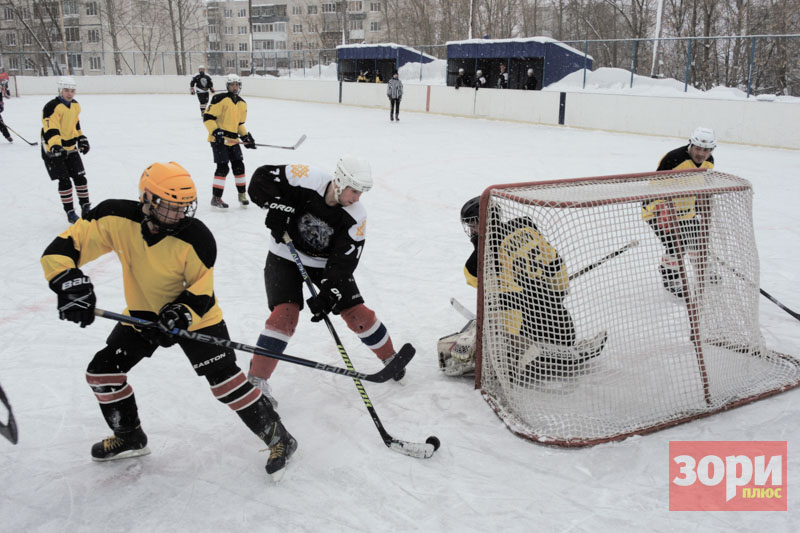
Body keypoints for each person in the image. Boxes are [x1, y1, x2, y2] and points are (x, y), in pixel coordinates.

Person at [40, 162, 297, 480]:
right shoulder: (113, 217)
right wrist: (68, 282)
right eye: (169, 207)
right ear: (147, 199)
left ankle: (280, 438)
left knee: (226, 384)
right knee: (102, 373)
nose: (178, 216)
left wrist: (180, 314)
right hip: (144, 315)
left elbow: (201, 294)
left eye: (183, 208)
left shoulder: (198, 238)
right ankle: (130, 436)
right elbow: (62, 249)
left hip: (195, 318)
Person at [245, 156, 407, 405]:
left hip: (325, 265)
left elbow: (344, 262)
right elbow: (261, 179)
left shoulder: (356, 216)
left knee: (356, 313)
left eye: (361, 193)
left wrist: (329, 292)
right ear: (340, 182)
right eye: (354, 191)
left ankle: (389, 357)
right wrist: (275, 205)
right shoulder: (306, 177)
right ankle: (256, 380)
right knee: (285, 315)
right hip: (284, 254)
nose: (357, 198)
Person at [438, 197, 605, 380]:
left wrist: (504, 341)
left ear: (484, 220)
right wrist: (556, 295)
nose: (470, 229)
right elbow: (555, 264)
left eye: (473, 223)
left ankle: (520, 353)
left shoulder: (483, 256)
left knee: (505, 348)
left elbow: (504, 300)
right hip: (558, 322)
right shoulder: (525, 227)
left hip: (524, 326)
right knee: (565, 338)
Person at [643, 126, 716, 297]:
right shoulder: (674, 158)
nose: (701, 154)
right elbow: (654, 185)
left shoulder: (710, 161)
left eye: (706, 150)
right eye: (698, 148)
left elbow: (703, 184)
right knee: (676, 245)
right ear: (691, 144)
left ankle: (703, 269)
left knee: (698, 242)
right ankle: (670, 276)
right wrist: (661, 209)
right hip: (658, 210)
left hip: (685, 211)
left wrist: (700, 208)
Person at [41, 76, 92, 224]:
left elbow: (75, 125)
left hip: (70, 147)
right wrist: (56, 145)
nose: (70, 94)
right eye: (66, 91)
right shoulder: (51, 106)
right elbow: (50, 128)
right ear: (60, 90)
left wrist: (81, 138)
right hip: (53, 149)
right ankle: (70, 211)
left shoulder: (75, 106)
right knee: (65, 181)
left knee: (80, 178)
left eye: (72, 91)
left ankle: (86, 207)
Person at [203, 73, 255, 208]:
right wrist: (215, 131)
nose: (235, 87)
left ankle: (242, 194)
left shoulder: (242, 103)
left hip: (233, 140)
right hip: (219, 140)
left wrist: (245, 137)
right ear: (228, 86)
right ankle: (216, 197)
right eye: (232, 84)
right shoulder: (219, 98)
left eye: (237, 84)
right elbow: (208, 117)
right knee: (223, 168)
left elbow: (239, 124)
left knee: (239, 166)